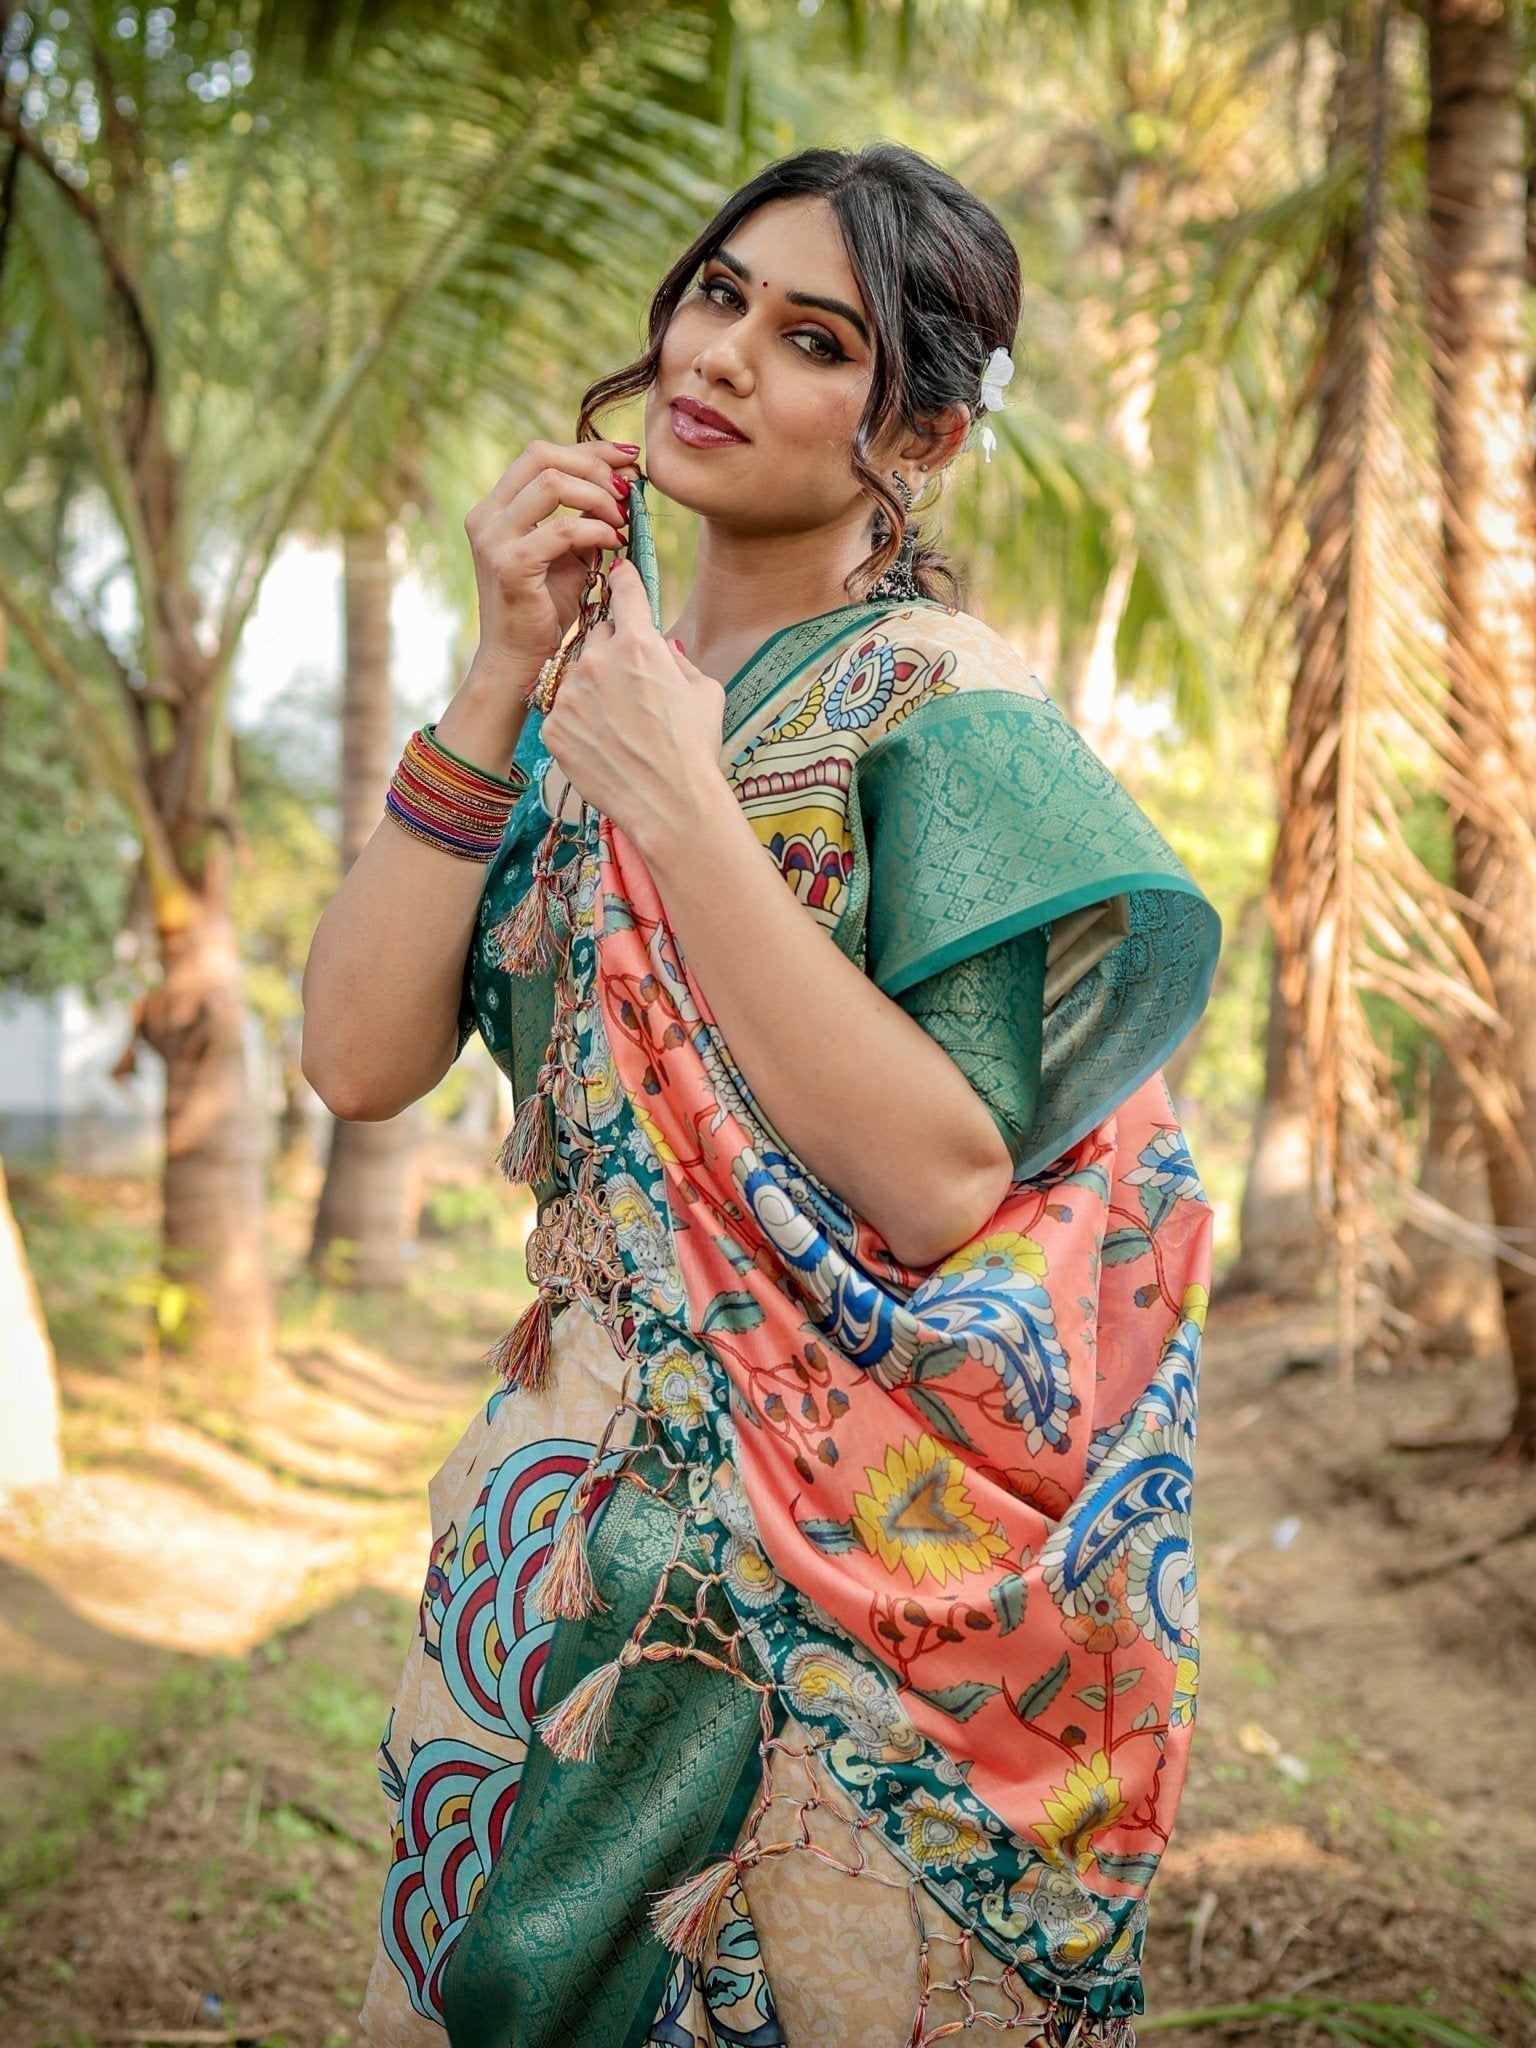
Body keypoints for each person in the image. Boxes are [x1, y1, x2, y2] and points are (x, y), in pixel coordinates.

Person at [302, 141, 1220, 2048]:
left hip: (836, 1574)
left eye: (816, 339)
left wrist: (681, 796)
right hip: (549, 1505)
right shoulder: (582, 690)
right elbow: (357, 1059)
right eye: (715, 295)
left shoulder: (933, 703)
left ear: (930, 435)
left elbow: (945, 1173)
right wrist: (497, 677)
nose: (723, 356)